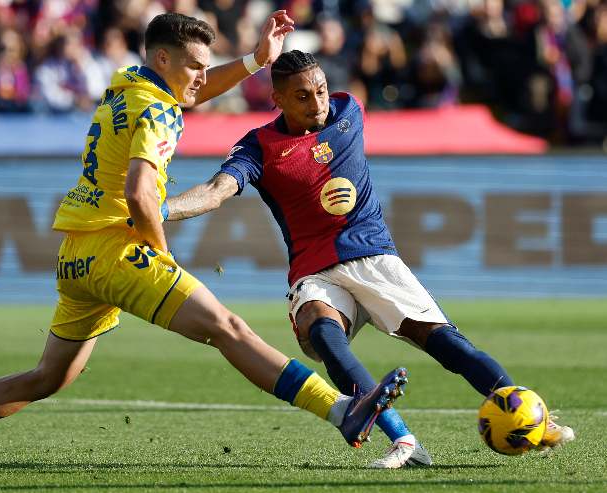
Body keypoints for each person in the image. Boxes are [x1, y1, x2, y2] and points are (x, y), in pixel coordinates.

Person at [0, 14, 407, 468]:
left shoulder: (127, 82)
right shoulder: (158, 112)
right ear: (163, 59)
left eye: (206, 65)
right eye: (195, 65)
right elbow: (140, 194)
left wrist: (252, 61)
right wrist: (159, 251)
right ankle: (342, 410)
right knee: (227, 328)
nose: (202, 76)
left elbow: (194, 92)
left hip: (77, 256)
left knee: (47, 377)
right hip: (118, 250)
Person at [162, 50, 576, 468]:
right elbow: (216, 190)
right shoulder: (259, 146)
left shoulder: (347, 110)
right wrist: (158, 210)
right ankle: (404, 443)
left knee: (449, 346)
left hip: (374, 257)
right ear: (279, 99)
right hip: (315, 269)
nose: (317, 103)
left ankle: (532, 416)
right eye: (302, 96)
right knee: (324, 335)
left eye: (320, 91)